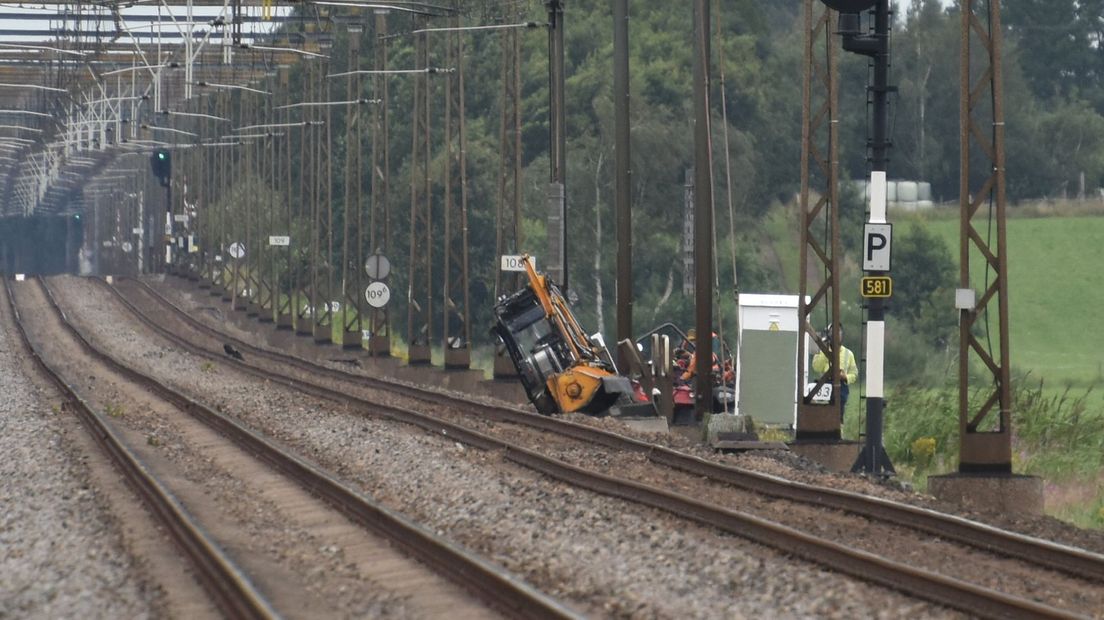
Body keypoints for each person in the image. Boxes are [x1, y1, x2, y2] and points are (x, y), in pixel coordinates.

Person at [812, 325, 858, 420]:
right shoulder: (822, 351)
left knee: (838, 413)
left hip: (841, 386)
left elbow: (854, 374)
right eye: (833, 333)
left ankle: (838, 426)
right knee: (823, 411)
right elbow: (816, 367)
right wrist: (826, 351)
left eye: (839, 333)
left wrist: (845, 377)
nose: (837, 336)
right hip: (826, 383)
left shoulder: (848, 354)